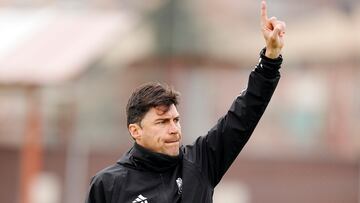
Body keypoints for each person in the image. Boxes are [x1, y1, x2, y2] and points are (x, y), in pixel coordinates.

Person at [85, 1, 286, 202]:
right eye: (162, 122)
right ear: (135, 130)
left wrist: (270, 59)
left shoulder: (199, 163)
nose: (174, 129)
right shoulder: (108, 185)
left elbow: (243, 115)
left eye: (175, 120)